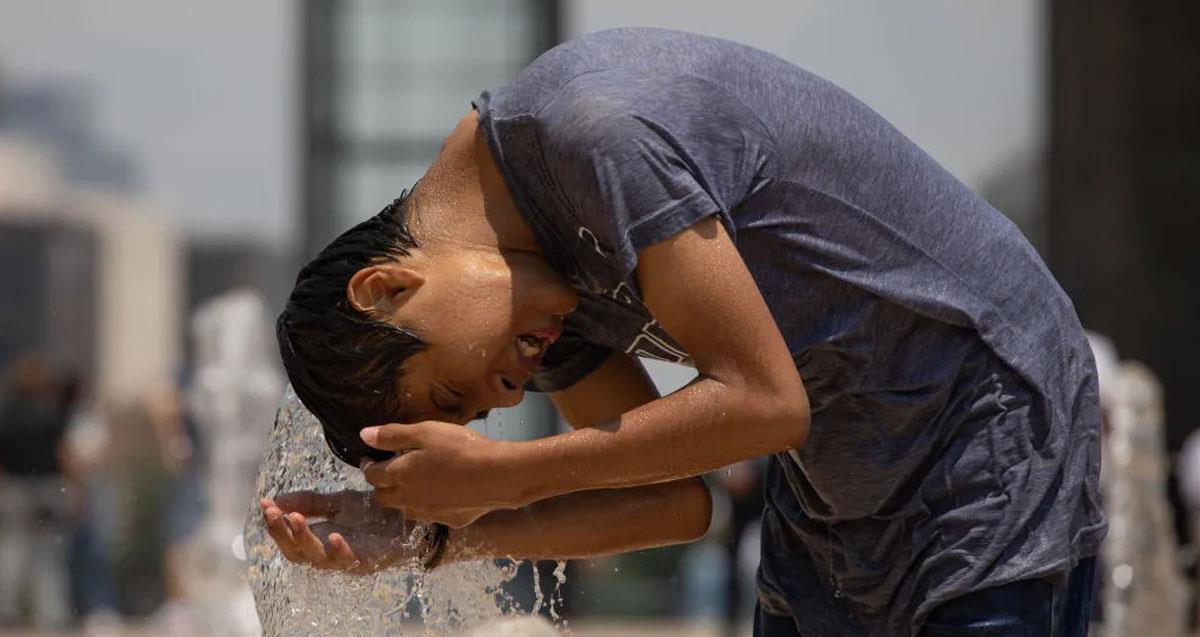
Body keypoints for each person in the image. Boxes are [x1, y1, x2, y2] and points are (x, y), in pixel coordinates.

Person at [261, 28, 1105, 636]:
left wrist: (506, 473)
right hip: (834, 486)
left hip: (982, 416)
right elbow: (671, 500)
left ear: (385, 287)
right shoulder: (539, 297)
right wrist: (431, 536)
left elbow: (765, 405)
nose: (507, 393)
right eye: (480, 413)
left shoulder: (595, 136)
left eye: (455, 390)